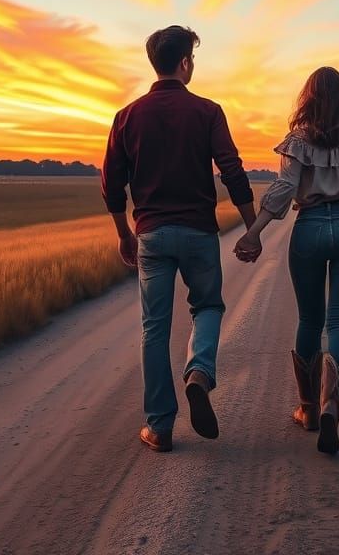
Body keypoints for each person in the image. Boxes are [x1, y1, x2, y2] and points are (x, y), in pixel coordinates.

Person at [102, 25, 256, 453]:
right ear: (185, 62)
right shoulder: (207, 111)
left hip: (150, 234)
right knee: (207, 305)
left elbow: (112, 185)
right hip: (199, 233)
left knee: (154, 327)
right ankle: (199, 373)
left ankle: (159, 426)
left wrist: (123, 234)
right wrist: (252, 226)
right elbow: (232, 170)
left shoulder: (127, 116)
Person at [234, 66, 339, 455]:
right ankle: (331, 405)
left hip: (308, 227)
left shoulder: (296, 142)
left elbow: (284, 189)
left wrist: (254, 230)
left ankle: (308, 409)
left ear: (308, 99)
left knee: (310, 319)